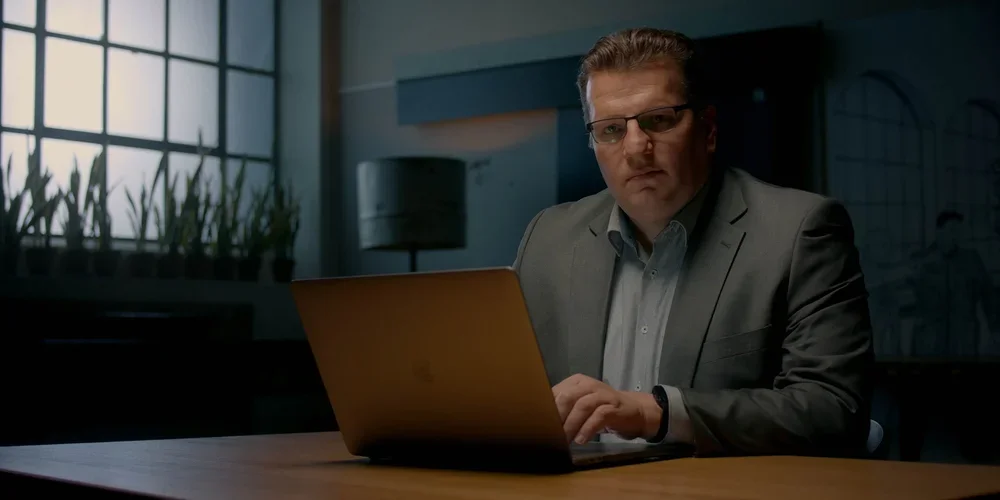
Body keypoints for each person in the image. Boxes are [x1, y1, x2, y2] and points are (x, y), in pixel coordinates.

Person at [512, 28, 874, 457]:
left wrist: (655, 413)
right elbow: (506, 391)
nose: (636, 148)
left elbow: (834, 411)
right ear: (593, 141)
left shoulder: (799, 232)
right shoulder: (547, 239)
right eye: (610, 129)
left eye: (659, 120)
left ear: (708, 129)